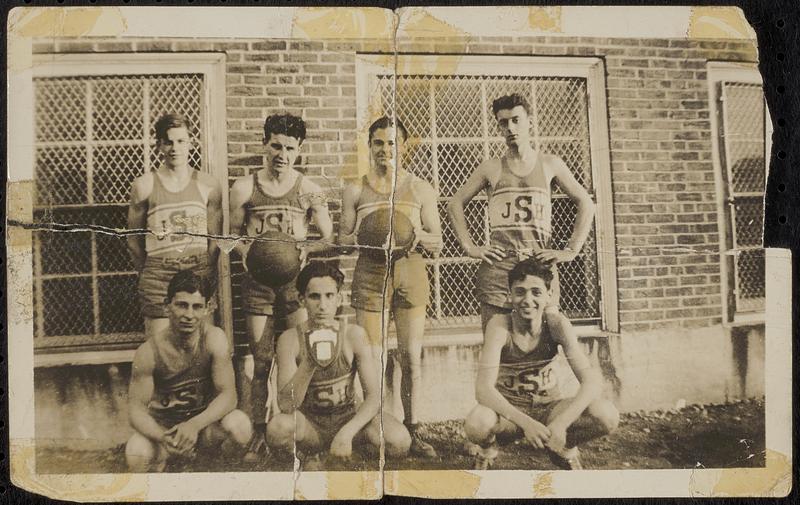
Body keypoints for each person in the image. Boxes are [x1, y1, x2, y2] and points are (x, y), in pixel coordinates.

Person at [229, 113, 334, 462]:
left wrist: (304, 249)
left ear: (299, 149)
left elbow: (328, 236)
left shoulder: (308, 190)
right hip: (258, 282)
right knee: (261, 361)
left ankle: (299, 432)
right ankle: (260, 432)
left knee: (301, 356)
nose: (282, 154)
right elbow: (230, 234)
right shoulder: (244, 188)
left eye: (290, 147)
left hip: (293, 284)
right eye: (276, 145)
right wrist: (247, 252)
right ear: (264, 144)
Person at [338, 117, 443, 459]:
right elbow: (343, 239)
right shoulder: (356, 190)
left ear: (403, 147)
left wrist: (410, 233)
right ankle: (380, 427)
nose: (385, 149)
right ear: (369, 147)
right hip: (370, 271)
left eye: (392, 142)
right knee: (375, 357)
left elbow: (437, 241)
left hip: (409, 270)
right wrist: (369, 234)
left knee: (410, 356)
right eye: (379, 143)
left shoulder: (420, 188)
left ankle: (413, 426)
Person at [447, 93, 595, 331]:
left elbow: (585, 202)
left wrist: (571, 250)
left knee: (545, 341)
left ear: (530, 122)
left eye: (516, 120)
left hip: (538, 264)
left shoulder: (550, 163)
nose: (510, 128)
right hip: (500, 266)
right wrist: (470, 247)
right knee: (498, 343)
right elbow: (454, 204)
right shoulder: (491, 167)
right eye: (503, 122)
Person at [463, 258, 619, 470]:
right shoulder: (500, 326)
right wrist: (526, 423)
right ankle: (488, 449)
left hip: (549, 409)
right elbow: (483, 390)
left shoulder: (556, 325)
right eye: (520, 292)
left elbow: (591, 381)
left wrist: (562, 423)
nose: (528, 300)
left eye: (536, 292)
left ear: (549, 296)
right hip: (512, 414)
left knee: (607, 414)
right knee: (477, 423)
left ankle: (564, 447)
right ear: (509, 296)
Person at [266, 262, 411, 467]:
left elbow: (375, 396)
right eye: (314, 296)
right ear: (302, 299)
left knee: (399, 440)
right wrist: (308, 364)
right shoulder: (290, 340)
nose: (323, 305)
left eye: (329, 296)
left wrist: (347, 432)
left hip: (348, 417)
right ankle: (311, 459)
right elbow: (286, 405)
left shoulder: (353, 335)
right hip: (311, 426)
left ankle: (344, 455)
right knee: (278, 429)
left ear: (339, 299)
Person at [125, 270, 252, 472]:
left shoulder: (214, 339)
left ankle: (216, 471)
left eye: (197, 307)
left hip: (202, 429)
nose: (189, 315)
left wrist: (194, 425)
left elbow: (229, 396)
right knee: (136, 451)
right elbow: (135, 411)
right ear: (167, 306)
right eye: (182, 305)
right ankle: (163, 474)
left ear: (207, 309)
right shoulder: (148, 352)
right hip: (166, 432)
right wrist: (162, 437)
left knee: (240, 425)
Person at [127, 113, 223, 339]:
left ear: (191, 143)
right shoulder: (144, 185)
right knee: (161, 349)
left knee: (201, 347)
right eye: (168, 141)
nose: (175, 148)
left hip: (197, 268)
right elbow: (133, 241)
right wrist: (150, 270)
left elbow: (215, 238)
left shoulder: (208, 185)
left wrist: (205, 270)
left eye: (181, 141)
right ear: (159, 145)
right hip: (159, 272)